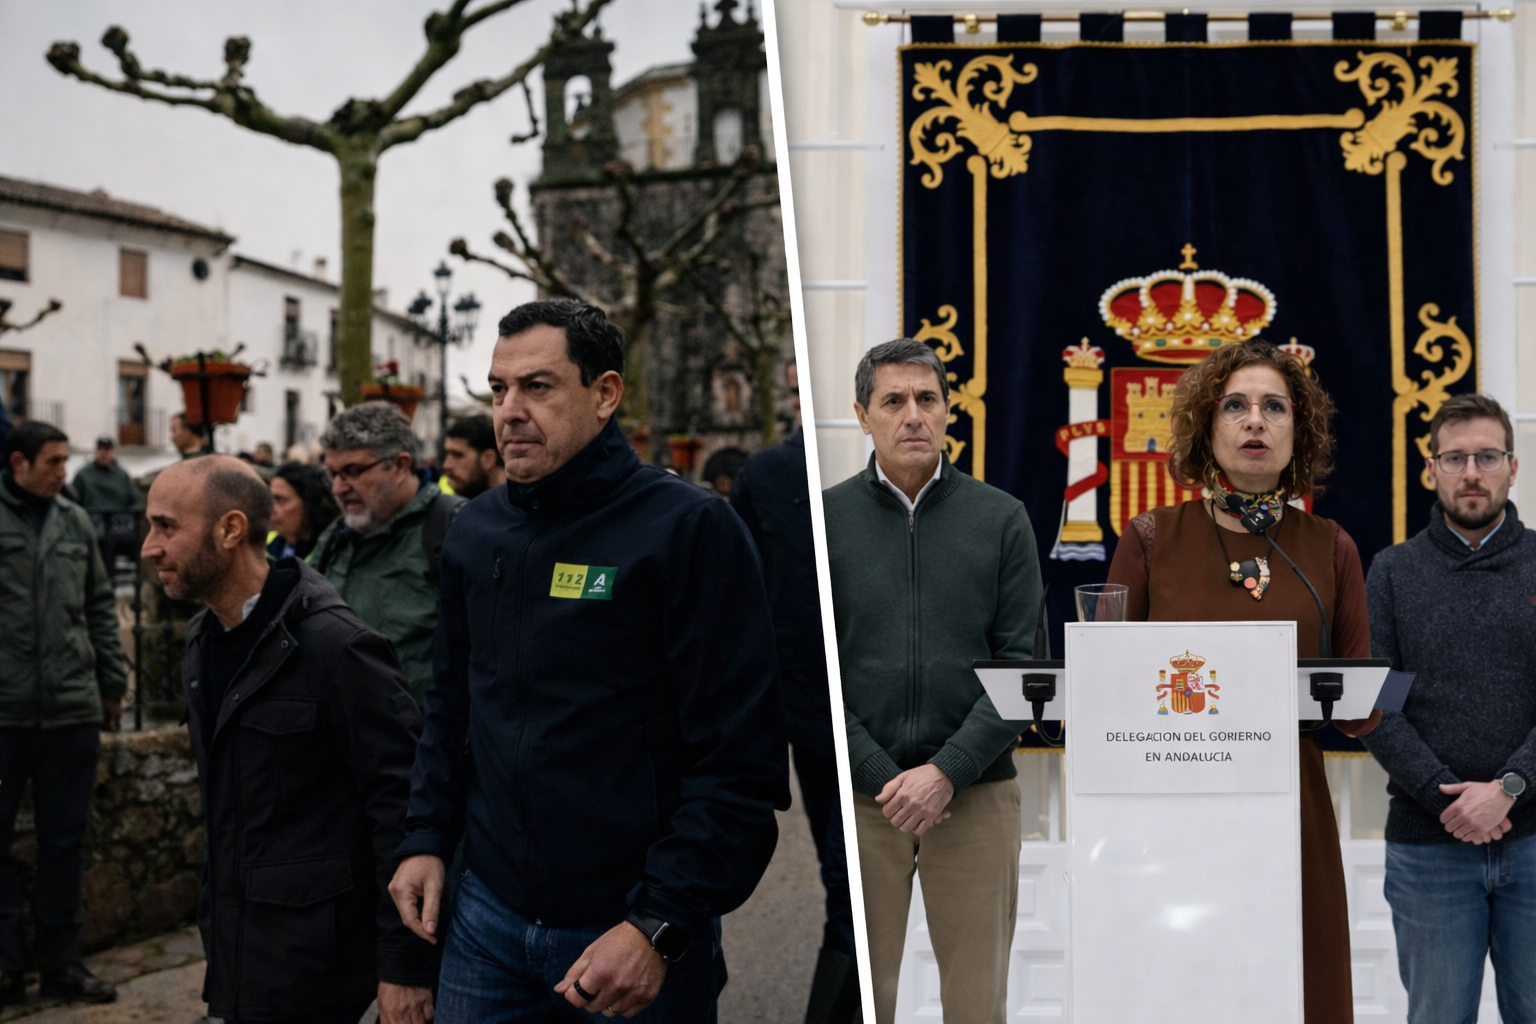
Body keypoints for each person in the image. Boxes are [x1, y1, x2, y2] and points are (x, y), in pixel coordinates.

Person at [388, 299, 787, 1022]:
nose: (509, 410)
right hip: (485, 926)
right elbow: (451, 706)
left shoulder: (688, 529)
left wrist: (658, 927)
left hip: (628, 939)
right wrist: (424, 838)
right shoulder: (476, 531)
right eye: (498, 388)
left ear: (605, 394)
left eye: (537, 387)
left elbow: (741, 761)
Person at [1105, 339, 1380, 1022]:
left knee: (1295, 990)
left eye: (1273, 407)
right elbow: (1102, 687)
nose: (1255, 420)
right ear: (1207, 428)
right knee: (1179, 991)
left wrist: (1356, 695)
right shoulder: (1147, 536)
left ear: (1298, 433)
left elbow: (1359, 714)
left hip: (1291, 811)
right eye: (1235, 406)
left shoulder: (1332, 545)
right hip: (1172, 808)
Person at [141, 455, 437, 1024]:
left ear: (230, 529)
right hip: (240, 959)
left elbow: (402, 813)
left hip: (325, 975)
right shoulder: (204, 637)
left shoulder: (338, 648)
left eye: (166, 526)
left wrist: (404, 968)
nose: (150, 548)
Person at [823, 338, 1042, 1024]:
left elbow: (1021, 666)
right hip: (865, 800)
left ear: (950, 412)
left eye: (927, 399)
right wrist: (877, 771)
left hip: (975, 796)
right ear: (863, 415)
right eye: (893, 401)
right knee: (864, 1001)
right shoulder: (825, 519)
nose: (912, 415)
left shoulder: (1001, 519)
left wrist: (944, 770)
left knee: (978, 1007)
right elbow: (809, 665)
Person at [1359, 393, 1536, 1024]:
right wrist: (1453, 803)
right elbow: (1377, 704)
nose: (1471, 473)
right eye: (1455, 458)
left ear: (1512, 468)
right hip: (1428, 851)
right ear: (1431, 468)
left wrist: (1511, 787)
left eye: (1487, 457)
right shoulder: (1393, 573)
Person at [731, 362, 857, 1024]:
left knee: (853, 882)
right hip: (811, 715)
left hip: (863, 714)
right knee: (846, 879)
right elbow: (745, 603)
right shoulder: (769, 476)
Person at [0, 422, 126, 1007]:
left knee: (65, 844)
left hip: (72, 710)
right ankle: (5, 970)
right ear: (19, 462)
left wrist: (112, 681)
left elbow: (101, 606)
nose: (62, 471)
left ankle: (61, 965)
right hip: (6, 713)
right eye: (52, 462)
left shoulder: (75, 522)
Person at [309, 403, 462, 704]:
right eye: (333, 474)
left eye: (353, 471)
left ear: (401, 465)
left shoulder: (455, 528)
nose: (339, 488)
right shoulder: (334, 539)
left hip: (426, 741)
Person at [267, 461, 340, 561]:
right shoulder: (265, 544)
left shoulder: (331, 553)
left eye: (280, 500)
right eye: (270, 499)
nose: (271, 509)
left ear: (309, 504)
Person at [440, 414, 504, 499]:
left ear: (488, 459)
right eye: (447, 454)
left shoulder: (520, 507)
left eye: (457, 455)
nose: (446, 465)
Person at [72, 436, 141, 510]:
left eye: (107, 449)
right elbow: (73, 500)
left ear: (113, 452)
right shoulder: (83, 475)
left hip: (118, 519)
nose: (104, 453)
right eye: (100, 449)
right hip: (92, 518)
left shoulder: (122, 475)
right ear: (96, 451)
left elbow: (135, 500)